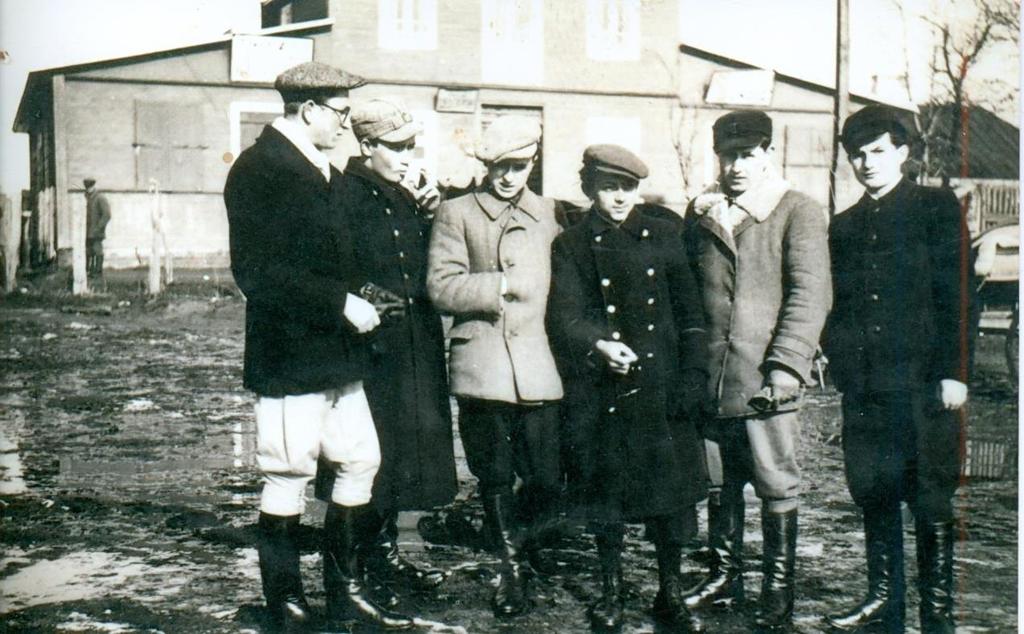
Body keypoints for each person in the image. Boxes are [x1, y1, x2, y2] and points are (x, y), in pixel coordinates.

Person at [223, 61, 412, 631]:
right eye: (341, 114)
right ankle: (285, 604)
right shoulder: (259, 170)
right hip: (289, 355)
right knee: (288, 475)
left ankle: (343, 594)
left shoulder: (319, 168)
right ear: (308, 110)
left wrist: (366, 292)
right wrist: (339, 303)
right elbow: (256, 272)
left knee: (361, 461)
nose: (346, 125)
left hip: (335, 354)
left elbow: (332, 256)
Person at [823, 105, 973, 634]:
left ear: (903, 153)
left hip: (923, 384)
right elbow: (837, 304)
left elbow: (957, 295)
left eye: (878, 152)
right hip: (866, 387)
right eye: (857, 155)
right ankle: (884, 602)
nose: (867, 163)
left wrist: (955, 371)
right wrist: (839, 356)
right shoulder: (844, 225)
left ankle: (936, 614)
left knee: (929, 494)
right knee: (875, 489)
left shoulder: (935, 208)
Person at [681, 110, 832, 631]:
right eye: (728, 155)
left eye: (747, 155)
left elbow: (811, 295)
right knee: (720, 481)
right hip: (713, 377)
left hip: (767, 378)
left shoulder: (797, 211)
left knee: (774, 481)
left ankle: (777, 586)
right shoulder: (702, 213)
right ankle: (725, 575)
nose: (737, 166)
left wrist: (787, 366)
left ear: (768, 154)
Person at [547, 144, 708, 633]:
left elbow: (691, 316)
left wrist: (693, 377)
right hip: (604, 391)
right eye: (608, 187)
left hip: (662, 388)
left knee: (671, 499)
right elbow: (565, 316)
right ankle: (611, 590)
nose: (619, 197)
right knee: (608, 497)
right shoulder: (571, 244)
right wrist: (599, 345)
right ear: (589, 189)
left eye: (627, 187)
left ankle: (670, 592)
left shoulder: (664, 233)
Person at [426, 115, 563, 618]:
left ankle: (524, 544)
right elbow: (440, 287)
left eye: (519, 166)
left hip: (539, 361)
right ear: (485, 166)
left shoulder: (551, 213)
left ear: (533, 163)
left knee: (548, 476)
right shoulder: (456, 213)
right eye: (499, 167)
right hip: (482, 360)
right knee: (496, 476)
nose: (508, 177)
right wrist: (498, 286)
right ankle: (511, 571)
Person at [336, 98, 457, 601]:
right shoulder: (344, 194)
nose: (408, 157)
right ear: (367, 147)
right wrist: (390, 307)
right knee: (373, 453)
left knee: (408, 451)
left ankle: (384, 551)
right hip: (374, 346)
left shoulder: (408, 195)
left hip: (417, 345)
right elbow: (344, 272)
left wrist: (435, 209)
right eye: (396, 147)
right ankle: (362, 562)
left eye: (412, 146)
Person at [84, 178, 111, 277]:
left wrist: (99, 227)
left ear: (94, 186)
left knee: (97, 250)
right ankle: (90, 271)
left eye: (90, 187)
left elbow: (107, 215)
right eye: (87, 188)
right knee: (89, 251)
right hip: (88, 231)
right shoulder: (87, 197)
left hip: (97, 231)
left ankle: (98, 272)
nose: (88, 189)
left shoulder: (100, 197)